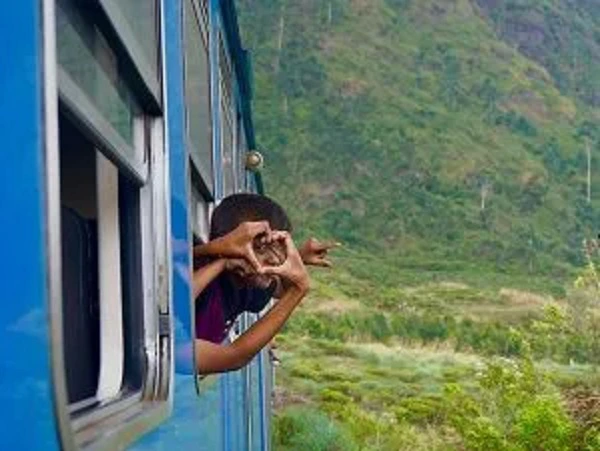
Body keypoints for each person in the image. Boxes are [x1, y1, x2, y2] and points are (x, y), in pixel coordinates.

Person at [190, 193, 338, 375]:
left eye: (279, 248)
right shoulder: (198, 277)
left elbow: (279, 288)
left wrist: (297, 258)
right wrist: (299, 289)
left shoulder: (246, 286)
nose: (275, 259)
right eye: (261, 248)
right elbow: (233, 356)